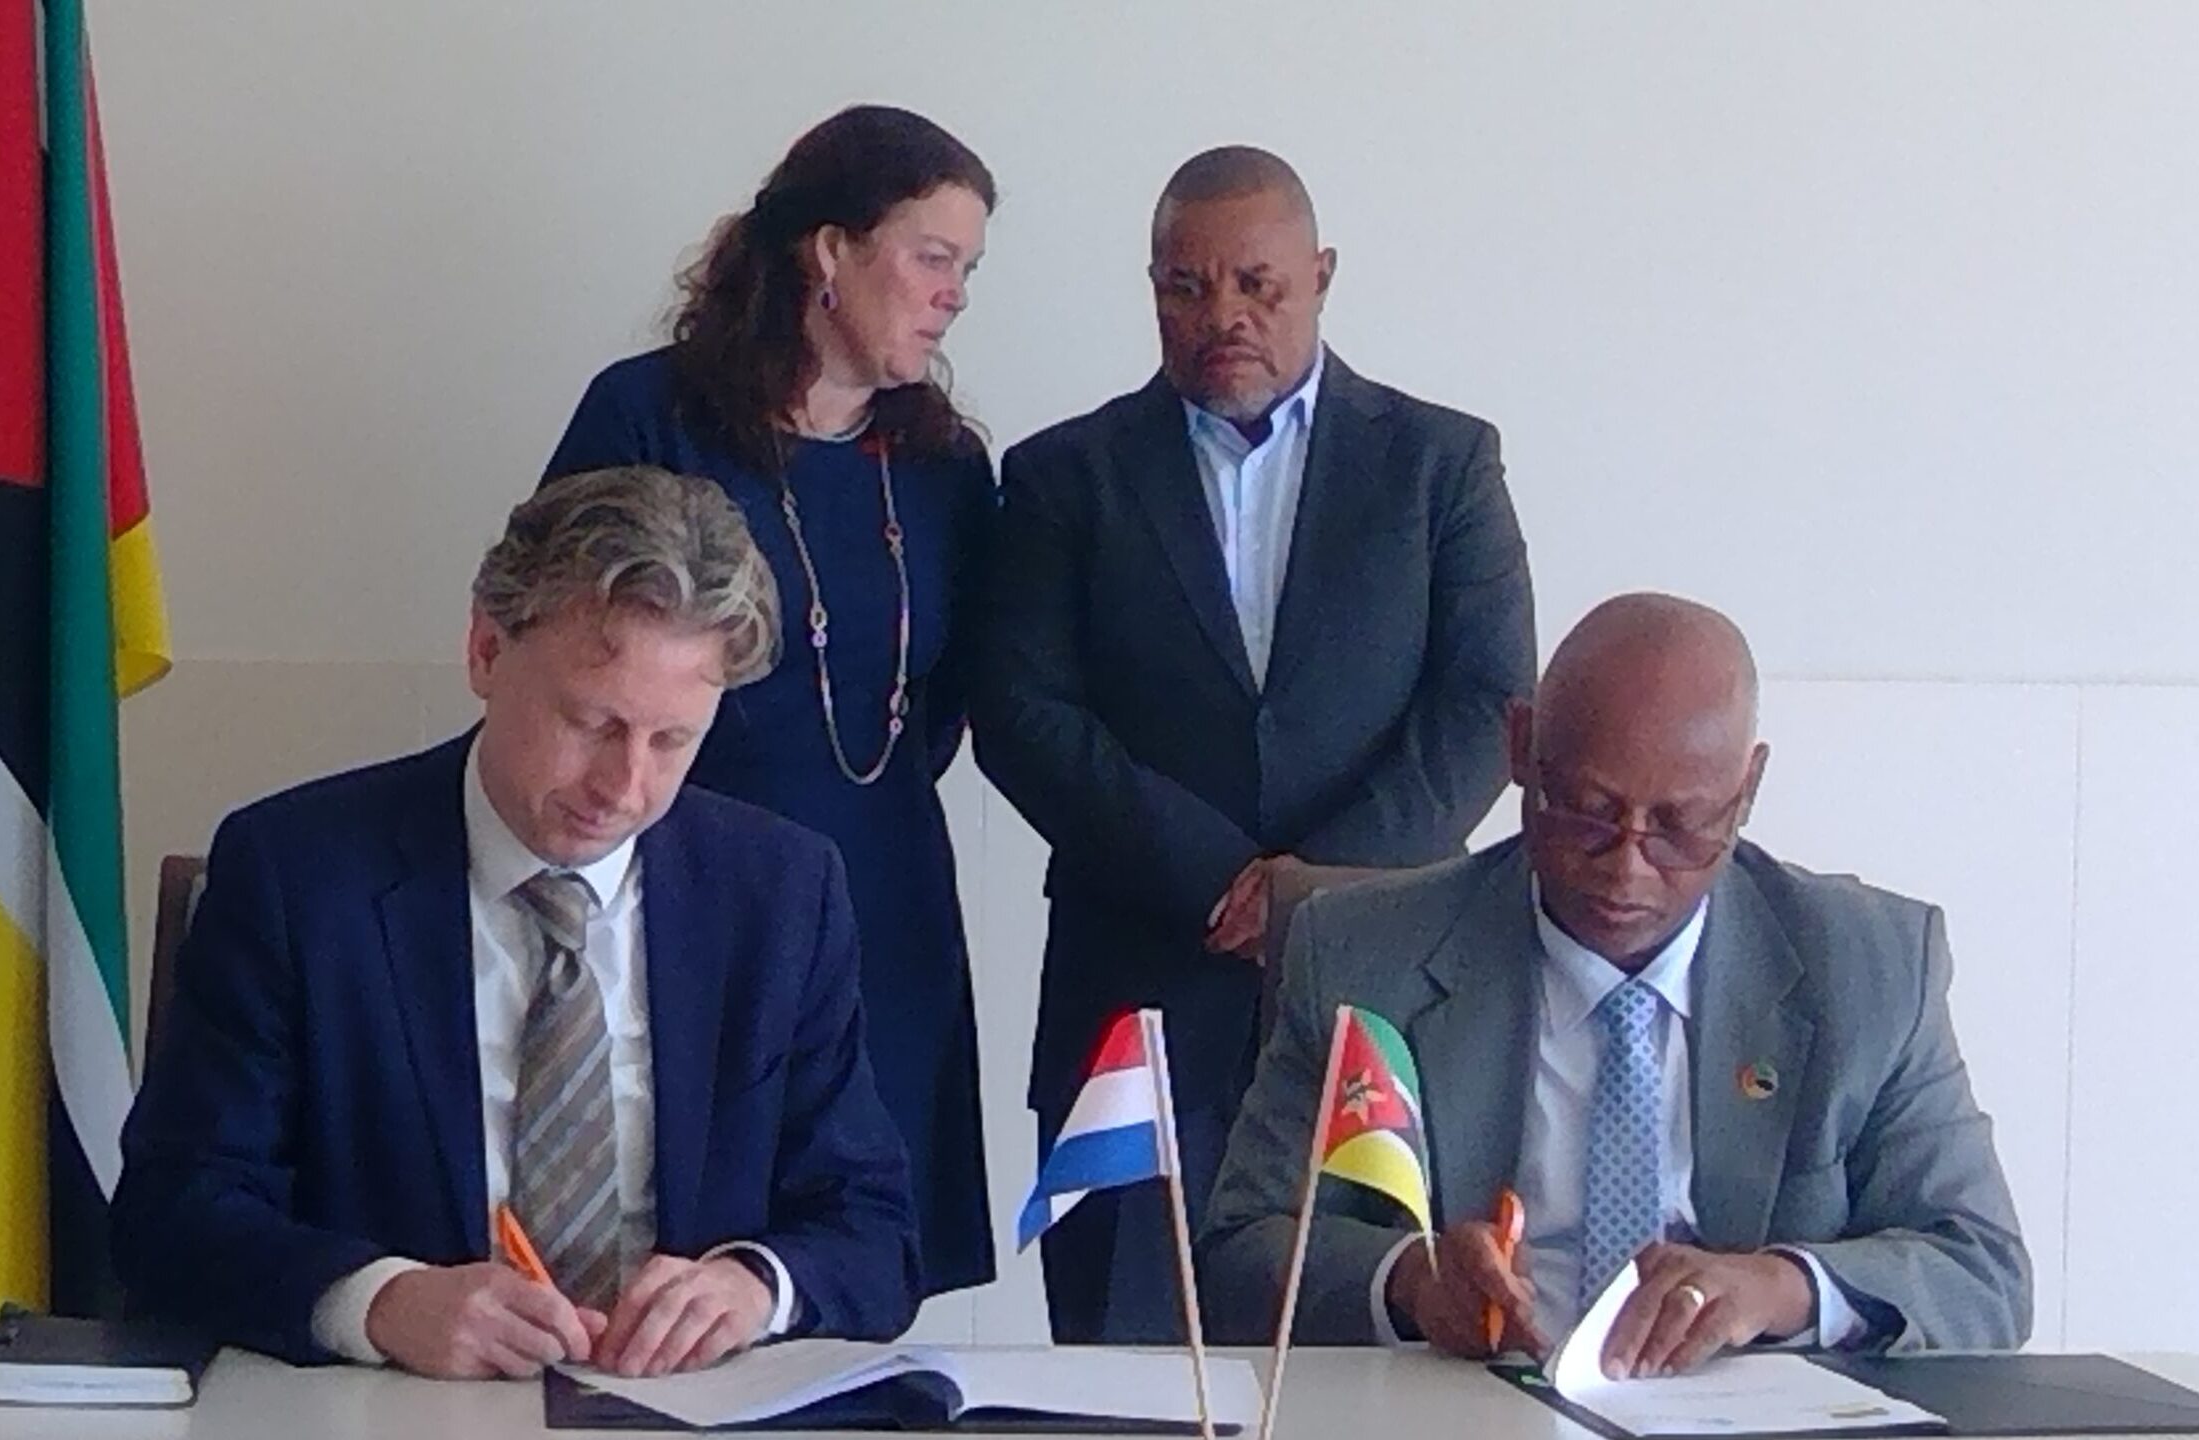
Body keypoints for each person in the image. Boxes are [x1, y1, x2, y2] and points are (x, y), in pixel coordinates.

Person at [112, 467, 919, 1377]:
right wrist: (380, 1301)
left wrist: (753, 1286)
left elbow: (873, 1229)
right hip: (394, 1409)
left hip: (683, 1409)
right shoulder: (298, 876)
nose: (623, 788)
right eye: (589, 722)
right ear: (486, 652)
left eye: (672, 741)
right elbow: (171, 1213)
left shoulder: (780, 892)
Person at [975, 146, 1535, 1342]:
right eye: (1184, 286)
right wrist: (1215, 878)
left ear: (1320, 275)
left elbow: (1485, 700)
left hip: (1381, 990)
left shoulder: (1439, 464)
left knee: (1375, 1338)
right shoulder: (1064, 475)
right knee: (1127, 1370)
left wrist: (1307, 895)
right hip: (1137, 993)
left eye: (1255, 284)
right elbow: (1020, 714)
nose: (1220, 314)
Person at [1201, 593, 2032, 1372]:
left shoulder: (1869, 967)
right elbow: (1234, 1254)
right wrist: (1410, 1283)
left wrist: (1777, 1287)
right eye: (1587, 812)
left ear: (1746, 790)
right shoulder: (1361, 955)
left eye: (1679, 826)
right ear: (1521, 748)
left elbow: (1983, 1273)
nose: (1626, 868)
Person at [542, 105, 998, 1298]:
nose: (953, 294)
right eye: (932, 257)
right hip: (680, 886)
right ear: (830, 250)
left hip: (884, 896)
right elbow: (562, 648)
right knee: (675, 1262)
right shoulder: (647, 417)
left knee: (853, 1260)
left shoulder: (946, 467)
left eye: (966, 269)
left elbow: (951, 692)